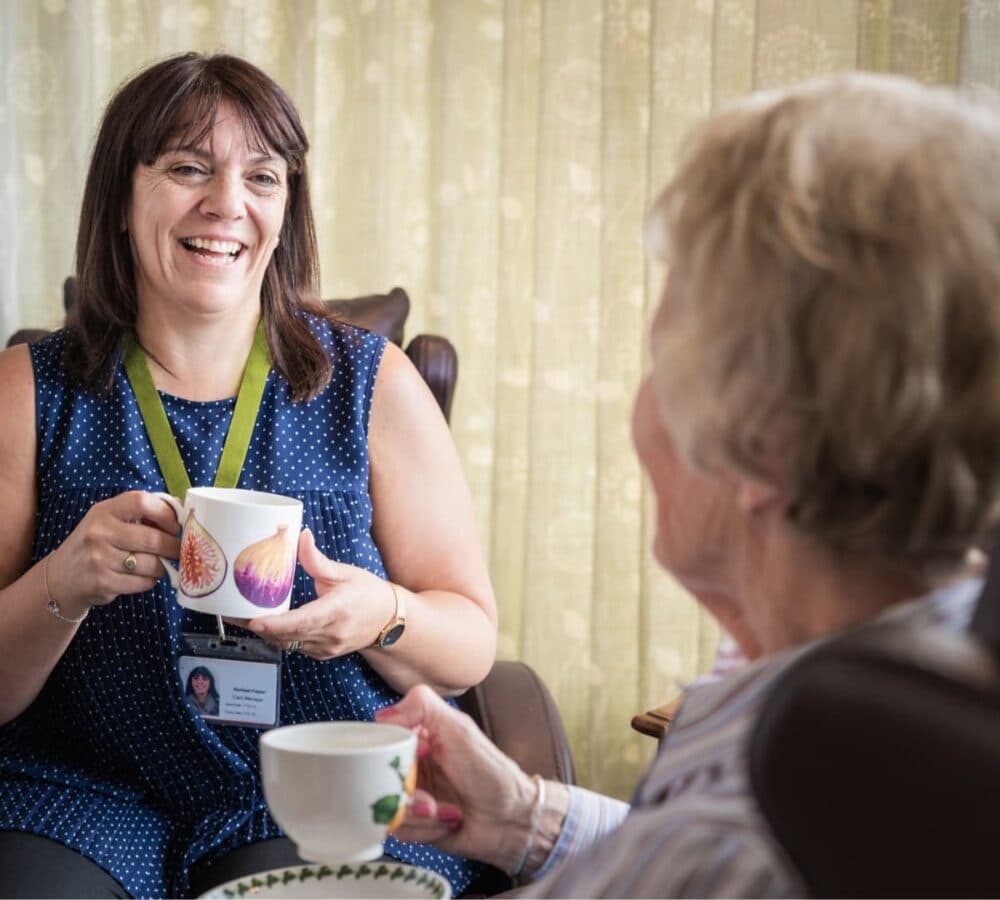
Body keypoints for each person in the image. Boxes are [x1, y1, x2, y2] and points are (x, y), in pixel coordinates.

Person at [375, 71, 1000, 896]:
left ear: (764, 445)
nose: (639, 411)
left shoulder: (731, 854)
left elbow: (702, 854)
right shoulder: (939, 676)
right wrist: (526, 815)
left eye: (662, 363)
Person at [0, 53, 496, 898]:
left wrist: (381, 616)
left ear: (285, 209)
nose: (227, 203)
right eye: (188, 168)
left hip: (309, 786)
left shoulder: (372, 385)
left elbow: (471, 648)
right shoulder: (28, 392)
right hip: (74, 790)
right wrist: (61, 583)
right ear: (123, 199)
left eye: (260, 176)